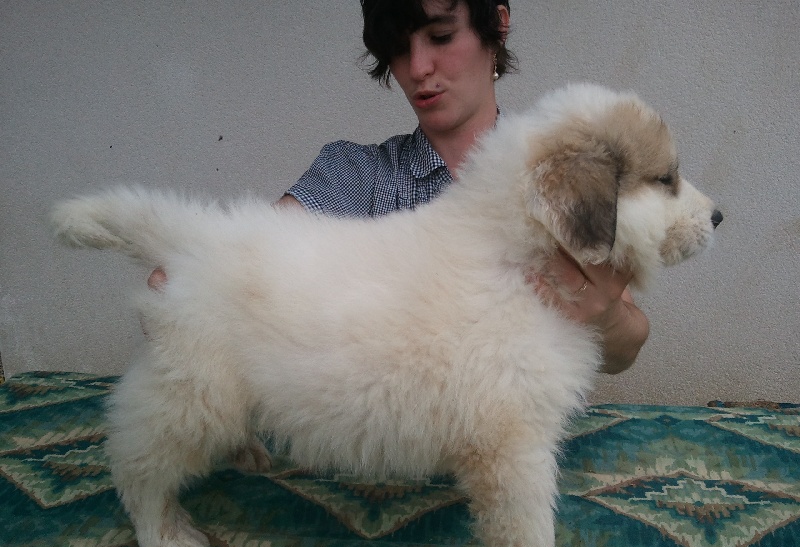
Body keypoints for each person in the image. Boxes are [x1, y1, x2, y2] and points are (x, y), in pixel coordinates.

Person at [150, 0, 649, 374]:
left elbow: (625, 348)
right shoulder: (359, 174)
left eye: (440, 35)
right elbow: (244, 252)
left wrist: (603, 317)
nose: (418, 68)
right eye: (397, 48)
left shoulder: (557, 177)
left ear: (497, 25)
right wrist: (199, 277)